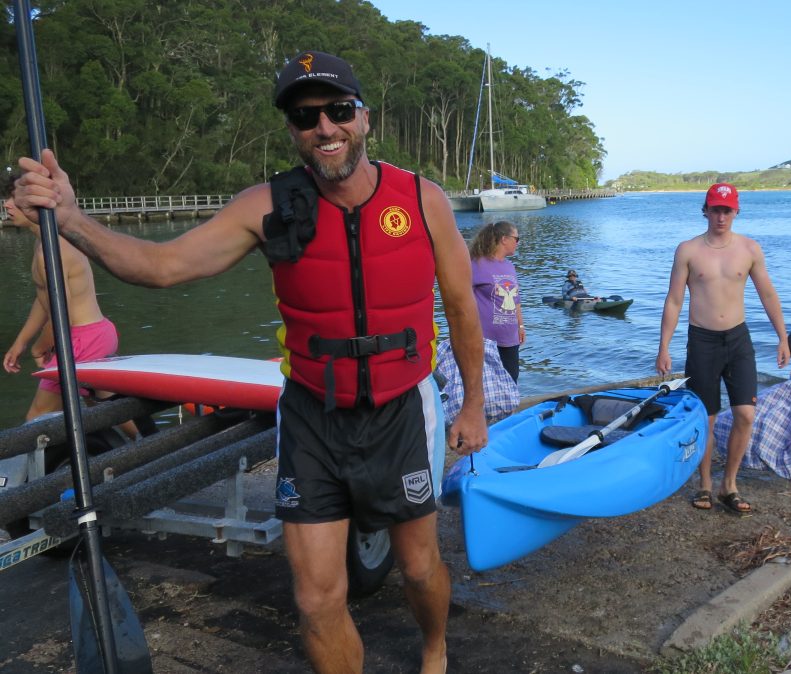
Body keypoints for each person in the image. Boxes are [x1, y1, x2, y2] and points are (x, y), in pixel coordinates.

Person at [15, 50, 487, 674]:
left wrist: (474, 404)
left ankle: (435, 647)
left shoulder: (422, 200)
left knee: (419, 567)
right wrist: (71, 219)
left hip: (403, 410)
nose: (324, 128)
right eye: (305, 116)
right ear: (292, 129)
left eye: (338, 111)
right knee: (317, 599)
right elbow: (160, 268)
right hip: (312, 416)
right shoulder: (263, 206)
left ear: (364, 119)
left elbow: (461, 309)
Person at [656, 182, 790, 515]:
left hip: (738, 339)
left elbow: (768, 294)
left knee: (746, 413)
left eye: (727, 210)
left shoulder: (749, 249)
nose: (721, 216)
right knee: (707, 418)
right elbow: (674, 300)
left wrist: (783, 337)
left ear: (736, 212)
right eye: (716, 209)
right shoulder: (687, 250)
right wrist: (664, 347)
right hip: (702, 341)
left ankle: (729, 484)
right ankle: (704, 484)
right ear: (705, 210)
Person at [2, 174, 140, 440]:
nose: (7, 205)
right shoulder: (47, 241)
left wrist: (40, 346)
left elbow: (59, 311)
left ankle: (29, 482)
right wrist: (20, 342)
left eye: (13, 198)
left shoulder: (50, 250)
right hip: (97, 333)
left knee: (36, 419)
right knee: (102, 407)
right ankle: (146, 447)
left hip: (80, 341)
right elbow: (44, 298)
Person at [468, 220, 524, 383]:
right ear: (504, 239)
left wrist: (520, 326)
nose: (518, 243)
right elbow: (462, 298)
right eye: (516, 239)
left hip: (510, 337)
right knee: (486, 382)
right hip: (485, 339)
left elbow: (516, 298)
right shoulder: (477, 264)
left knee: (511, 379)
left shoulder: (509, 266)